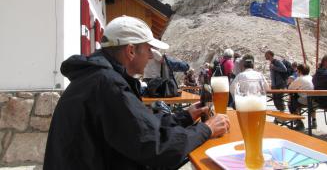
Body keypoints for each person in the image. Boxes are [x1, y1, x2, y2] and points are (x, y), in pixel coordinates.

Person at [43, 16, 230, 170]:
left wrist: (185, 116)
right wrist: (206, 129)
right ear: (131, 50)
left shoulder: (98, 77)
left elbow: (139, 126)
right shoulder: (107, 84)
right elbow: (157, 149)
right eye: (148, 49)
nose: (150, 56)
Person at [287, 64, 314, 130]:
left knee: (291, 102)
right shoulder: (312, 78)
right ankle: (313, 121)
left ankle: (299, 122)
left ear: (299, 71)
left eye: (297, 71)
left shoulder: (299, 79)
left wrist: (290, 83)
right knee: (296, 99)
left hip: (305, 100)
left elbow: (290, 89)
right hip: (314, 100)